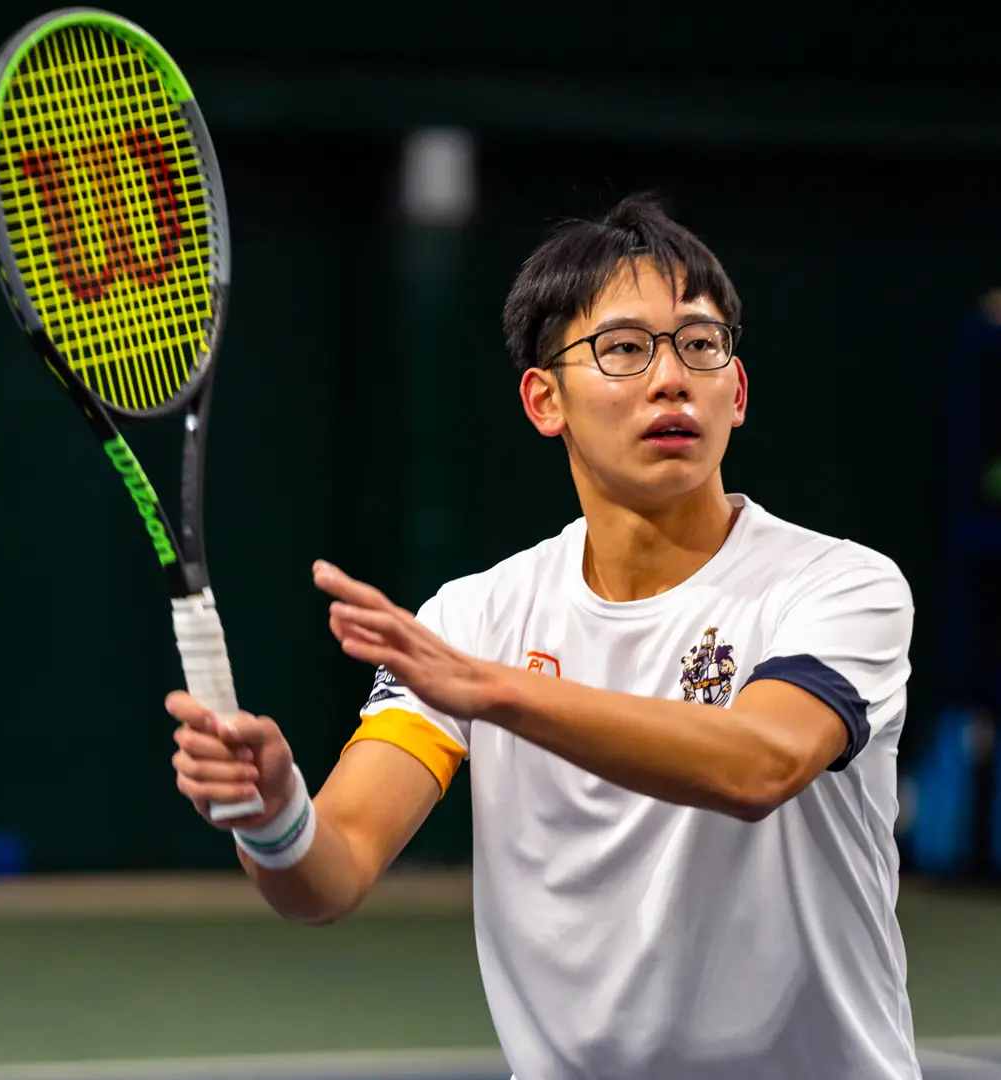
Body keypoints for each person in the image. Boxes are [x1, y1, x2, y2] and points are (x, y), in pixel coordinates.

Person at [167, 193, 920, 1080]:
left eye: (700, 344)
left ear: (738, 392)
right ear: (543, 399)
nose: (672, 377)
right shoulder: (474, 620)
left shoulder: (839, 586)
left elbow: (758, 763)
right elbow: (330, 877)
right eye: (625, 348)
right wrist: (274, 816)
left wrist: (497, 692)